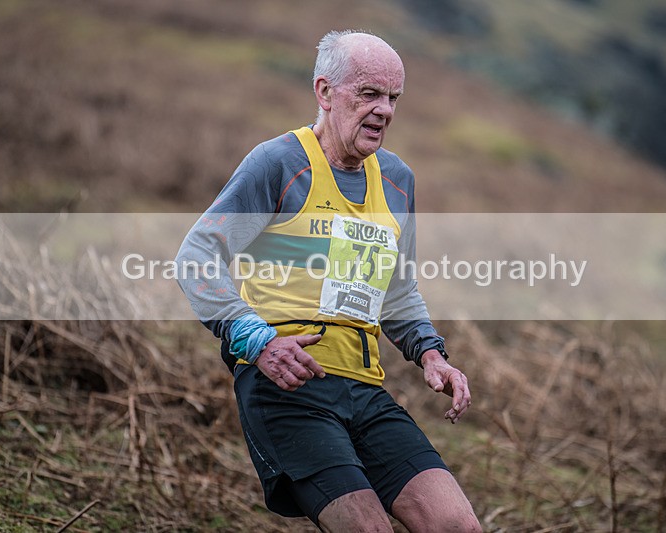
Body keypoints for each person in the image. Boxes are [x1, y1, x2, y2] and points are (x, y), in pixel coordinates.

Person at [176, 30, 481, 532]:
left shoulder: (399, 179)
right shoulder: (278, 164)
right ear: (324, 92)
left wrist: (432, 354)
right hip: (286, 386)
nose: (384, 110)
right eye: (369, 94)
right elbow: (196, 256)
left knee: (457, 526)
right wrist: (257, 340)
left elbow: (397, 290)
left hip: (364, 391)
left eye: (393, 98)